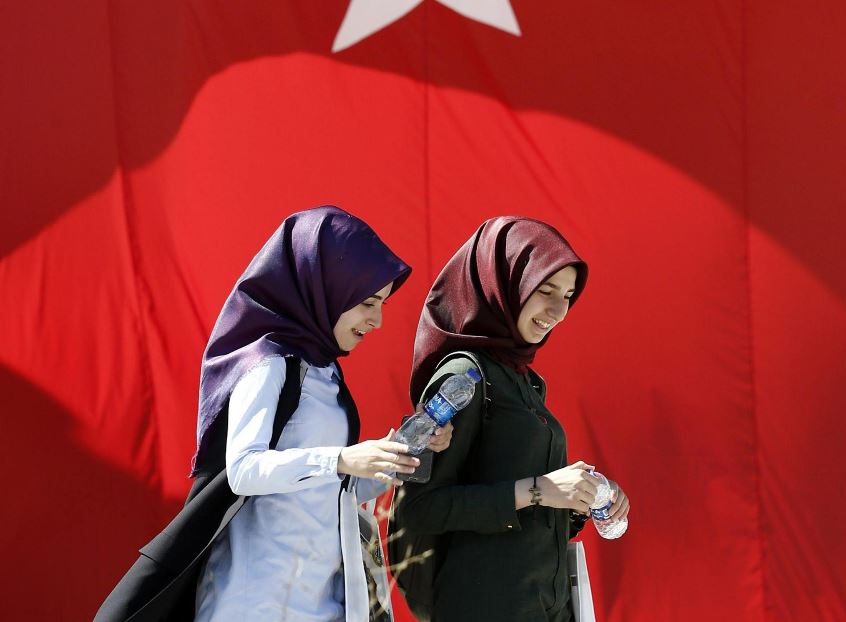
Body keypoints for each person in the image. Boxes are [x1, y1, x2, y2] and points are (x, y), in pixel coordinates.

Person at [95, 206, 452, 622]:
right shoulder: (269, 364)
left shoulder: (325, 372)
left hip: (326, 601)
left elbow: (322, 492)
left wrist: (389, 457)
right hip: (255, 602)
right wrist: (341, 458)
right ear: (327, 286)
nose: (377, 321)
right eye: (368, 303)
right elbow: (244, 469)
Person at [393, 216, 630, 622]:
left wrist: (578, 500)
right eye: (545, 290)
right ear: (504, 282)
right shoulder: (462, 378)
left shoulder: (526, 381)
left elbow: (517, 504)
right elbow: (419, 510)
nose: (558, 311)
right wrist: (539, 490)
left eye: (568, 295)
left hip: (544, 606)